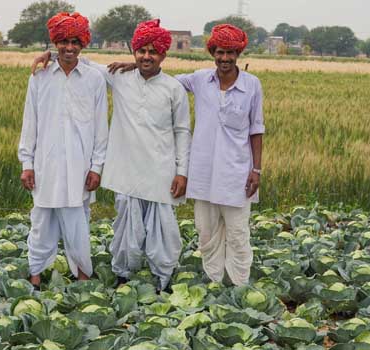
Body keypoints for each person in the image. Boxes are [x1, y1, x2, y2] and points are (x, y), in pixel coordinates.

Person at [88, 24, 265, 286]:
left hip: (235, 173)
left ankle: (238, 285)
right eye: (220, 52)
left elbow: (255, 128)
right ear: (212, 53)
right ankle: (214, 283)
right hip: (201, 173)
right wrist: (135, 64)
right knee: (206, 234)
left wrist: (256, 170)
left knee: (237, 233)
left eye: (230, 53)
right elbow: (89, 65)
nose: (225, 58)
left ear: (237, 54)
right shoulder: (199, 80)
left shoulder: (250, 85)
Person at [33, 19, 191, 292]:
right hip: (126, 173)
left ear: (164, 54)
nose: (146, 56)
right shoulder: (118, 77)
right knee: (125, 233)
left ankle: (163, 281)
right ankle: (123, 278)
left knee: (162, 232)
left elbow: (182, 132)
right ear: (133, 52)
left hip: (161, 172)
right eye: (141, 50)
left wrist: (182, 171)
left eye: (153, 51)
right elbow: (80, 60)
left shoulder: (173, 88)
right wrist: (50, 55)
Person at [18, 12, 109, 288]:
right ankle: (35, 276)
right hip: (46, 165)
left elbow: (100, 127)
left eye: (75, 42)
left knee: (78, 224)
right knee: (41, 221)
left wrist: (96, 167)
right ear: (55, 42)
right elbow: (30, 121)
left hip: (80, 168)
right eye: (63, 42)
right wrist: (27, 163)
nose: (69, 48)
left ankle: (83, 277)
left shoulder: (94, 79)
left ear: (83, 44)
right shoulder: (40, 76)